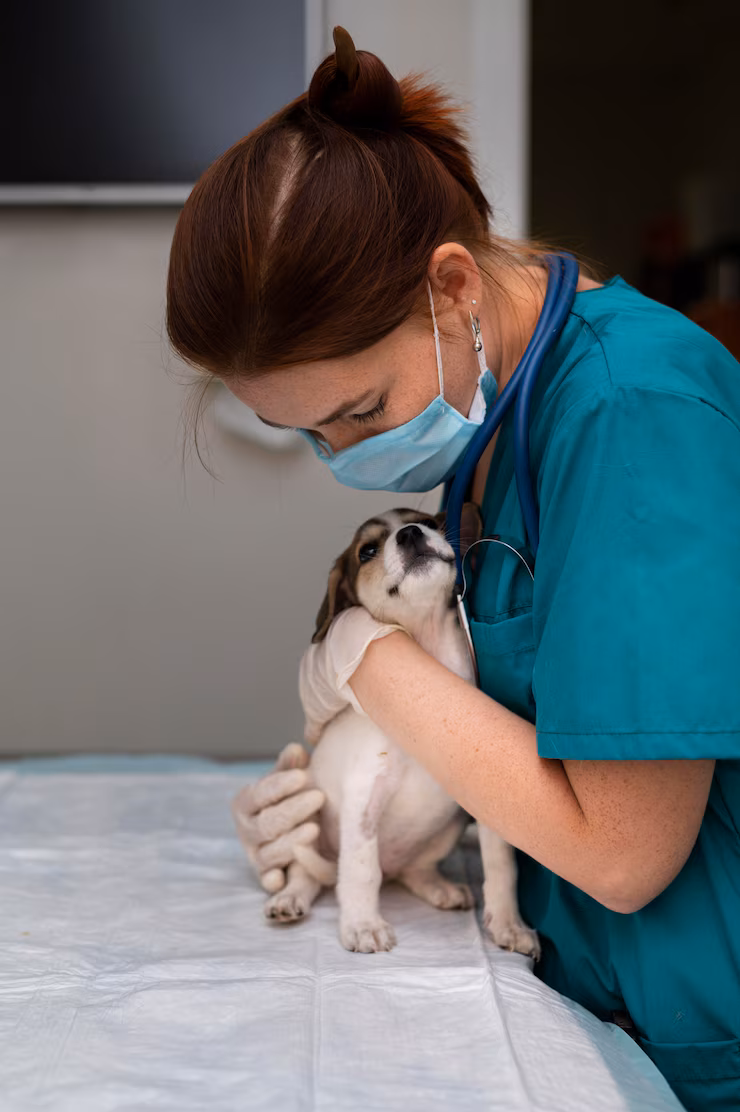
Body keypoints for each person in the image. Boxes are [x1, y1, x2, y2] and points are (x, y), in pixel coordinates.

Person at [166, 27, 740, 1112]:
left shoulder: (630, 416)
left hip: (708, 1030)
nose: (343, 461)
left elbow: (621, 853)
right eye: (308, 437)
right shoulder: (492, 436)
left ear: (451, 286)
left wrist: (363, 654)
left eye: (357, 413)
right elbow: (515, 745)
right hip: (591, 994)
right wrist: (348, 818)